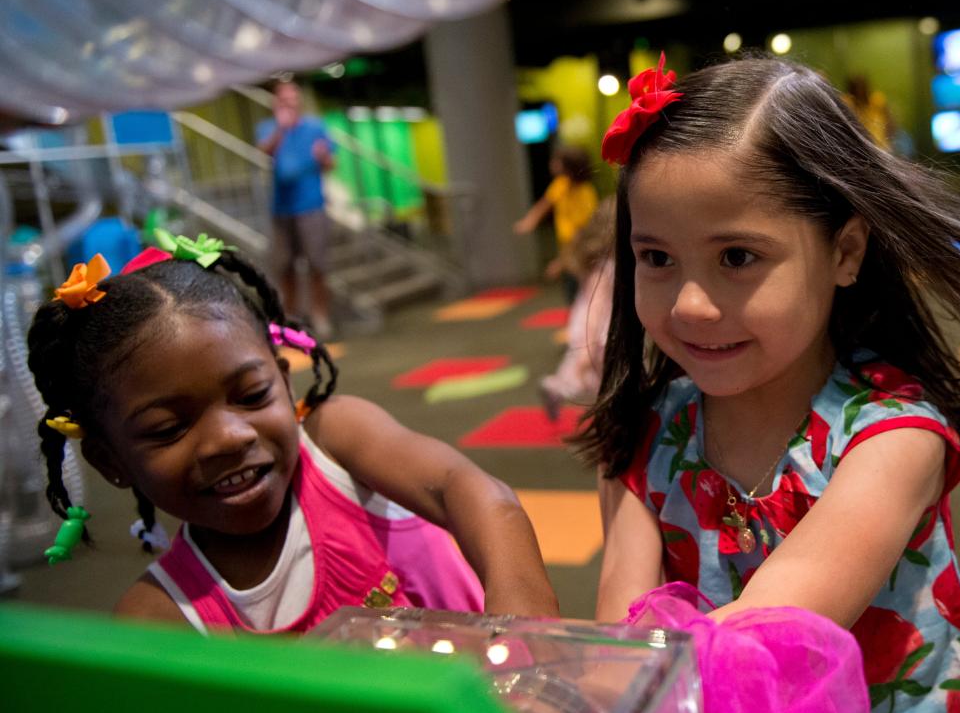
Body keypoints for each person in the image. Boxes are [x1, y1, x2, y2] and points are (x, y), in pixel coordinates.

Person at [586, 55, 960, 713]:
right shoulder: (647, 432)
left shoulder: (892, 438)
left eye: (737, 257)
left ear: (845, 252)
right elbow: (621, 644)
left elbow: (772, 631)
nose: (689, 304)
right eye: (656, 257)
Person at [27, 239, 558, 634]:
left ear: (283, 378)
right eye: (169, 428)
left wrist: (523, 622)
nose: (228, 437)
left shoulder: (335, 441)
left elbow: (469, 491)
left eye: (253, 395)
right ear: (109, 459)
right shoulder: (159, 617)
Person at [256, 79, 335, 339]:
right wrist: (281, 130)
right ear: (276, 104)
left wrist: (324, 158)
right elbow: (264, 153)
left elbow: (330, 164)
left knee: (317, 264)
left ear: (299, 102)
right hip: (281, 209)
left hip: (311, 206)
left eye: (292, 100)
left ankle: (320, 316)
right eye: (283, 100)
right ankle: (289, 320)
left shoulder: (315, 127)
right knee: (284, 266)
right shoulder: (268, 128)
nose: (288, 105)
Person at [539, 198, 616, 421]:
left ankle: (556, 388)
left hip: (593, 328)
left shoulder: (600, 259)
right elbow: (596, 306)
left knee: (594, 379)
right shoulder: (605, 265)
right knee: (596, 378)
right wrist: (587, 348)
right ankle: (557, 388)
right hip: (599, 332)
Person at [514, 146, 600, 301]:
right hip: (567, 246)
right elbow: (545, 204)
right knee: (570, 290)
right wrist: (530, 221)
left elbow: (581, 233)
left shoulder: (585, 193)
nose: (552, 164)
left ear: (569, 165)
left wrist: (561, 262)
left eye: (557, 161)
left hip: (579, 251)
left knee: (580, 293)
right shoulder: (561, 184)